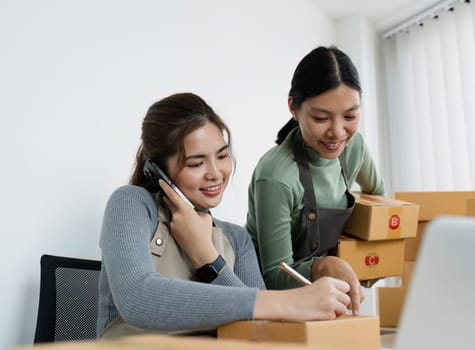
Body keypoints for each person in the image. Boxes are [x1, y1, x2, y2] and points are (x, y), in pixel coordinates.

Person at [97, 92, 352, 339]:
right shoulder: (132, 204)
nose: (216, 173)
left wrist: (208, 259)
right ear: (158, 169)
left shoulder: (236, 239)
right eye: (196, 163)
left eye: (222, 156)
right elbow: (137, 298)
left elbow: (260, 326)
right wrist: (289, 301)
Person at [246, 46, 385, 315]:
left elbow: (379, 202)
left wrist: (370, 258)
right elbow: (274, 276)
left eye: (350, 116)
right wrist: (321, 266)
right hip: (268, 300)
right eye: (321, 118)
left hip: (324, 294)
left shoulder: (354, 148)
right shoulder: (276, 177)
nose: (337, 133)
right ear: (293, 109)